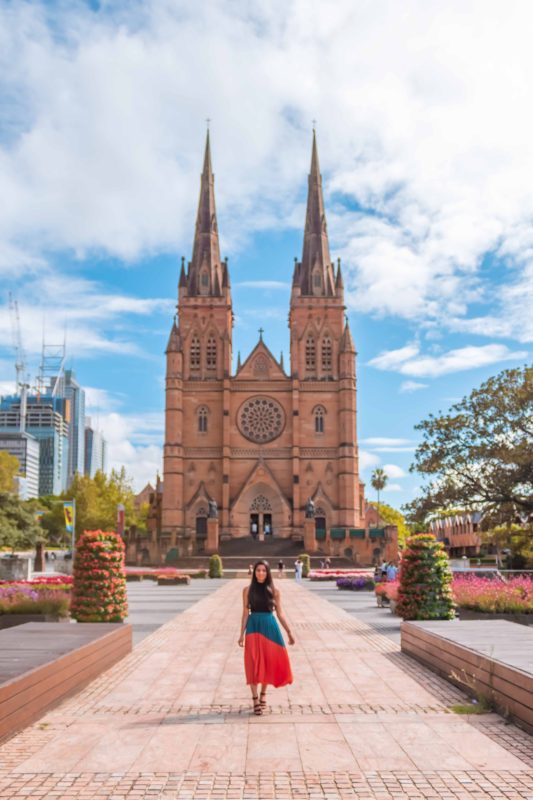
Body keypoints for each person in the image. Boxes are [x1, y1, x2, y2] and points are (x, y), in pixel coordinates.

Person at [238, 560, 294, 715]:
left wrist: (289, 632)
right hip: (253, 627)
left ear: (268, 573)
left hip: (270, 628)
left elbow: (280, 613)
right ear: (254, 572)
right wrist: (241, 634)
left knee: (268, 662)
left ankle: (263, 695)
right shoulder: (247, 590)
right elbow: (244, 613)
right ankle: (255, 698)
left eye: (263, 570)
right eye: (258, 570)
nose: (260, 573)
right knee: (253, 662)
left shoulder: (275, 591)